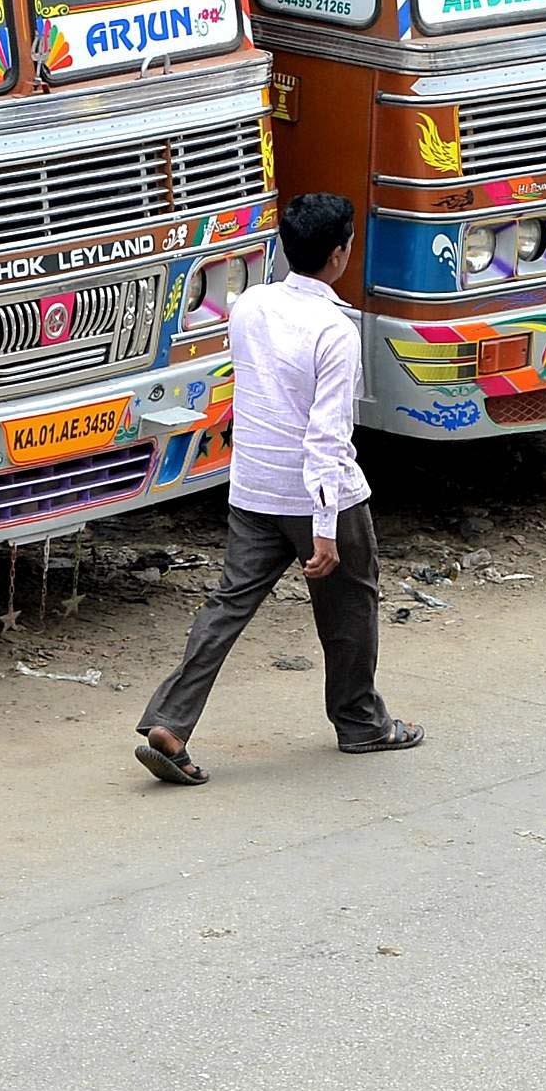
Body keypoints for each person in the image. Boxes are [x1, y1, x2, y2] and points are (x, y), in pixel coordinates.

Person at [134, 193, 423, 786]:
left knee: (227, 604)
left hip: (252, 487)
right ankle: (360, 722)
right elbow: (327, 434)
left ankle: (170, 720)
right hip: (322, 497)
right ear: (340, 253)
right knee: (349, 609)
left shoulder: (251, 305)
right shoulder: (335, 331)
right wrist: (324, 528)